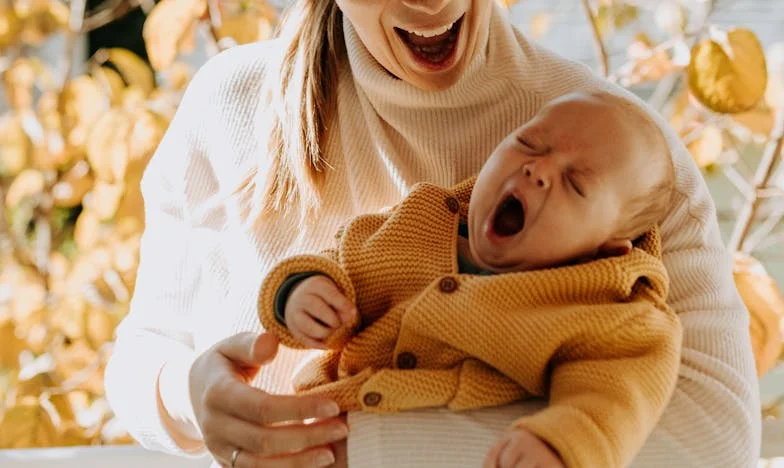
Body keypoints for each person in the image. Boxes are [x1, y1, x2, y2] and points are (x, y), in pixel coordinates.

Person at [103, 0, 761, 466]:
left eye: (572, 183)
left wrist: (355, 450)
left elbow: (716, 440)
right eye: (527, 147)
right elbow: (143, 349)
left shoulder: (621, 150)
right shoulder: (226, 104)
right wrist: (189, 396)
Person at [258, 90, 683, 468]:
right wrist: (300, 291)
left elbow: (614, 397)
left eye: (574, 184)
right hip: (305, 433)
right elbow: (337, 260)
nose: (537, 170)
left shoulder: (601, 312)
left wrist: (559, 445)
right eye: (528, 143)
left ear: (606, 248)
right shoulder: (413, 224)